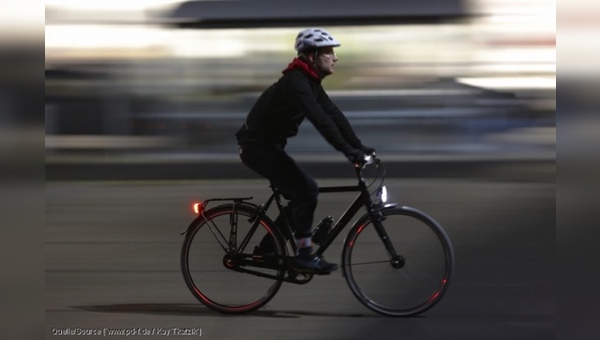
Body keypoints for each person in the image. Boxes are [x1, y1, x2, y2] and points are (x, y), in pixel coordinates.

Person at [235, 28, 375, 274]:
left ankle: (267, 248)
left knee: (300, 194)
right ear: (311, 56)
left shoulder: (309, 81)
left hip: (269, 146)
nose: (335, 57)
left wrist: (358, 146)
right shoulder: (296, 82)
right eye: (329, 52)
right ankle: (303, 254)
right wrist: (346, 151)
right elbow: (319, 119)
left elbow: (334, 115)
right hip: (256, 148)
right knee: (307, 190)